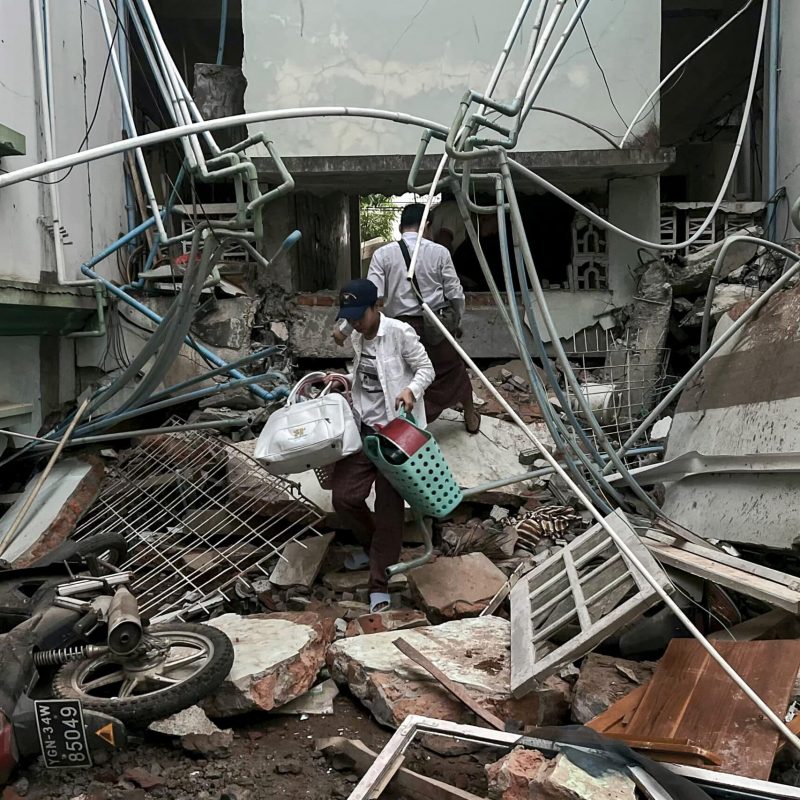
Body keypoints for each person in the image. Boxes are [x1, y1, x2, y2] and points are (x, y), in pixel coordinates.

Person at [329, 278, 434, 614]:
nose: (356, 321)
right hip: (365, 430)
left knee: (389, 510)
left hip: (396, 433)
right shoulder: (357, 336)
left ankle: (379, 581)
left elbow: (426, 368)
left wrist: (411, 391)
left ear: (377, 307)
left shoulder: (399, 332)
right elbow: (366, 378)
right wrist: (344, 381)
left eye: (361, 314)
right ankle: (374, 547)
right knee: (344, 496)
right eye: (351, 316)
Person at [333, 203, 481, 433]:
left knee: (400, 378)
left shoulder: (383, 254)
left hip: (399, 329)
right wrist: (455, 321)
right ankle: (471, 417)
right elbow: (455, 294)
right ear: (428, 226)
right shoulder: (439, 252)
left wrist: (344, 329)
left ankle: (404, 426)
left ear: (401, 227)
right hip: (435, 326)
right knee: (453, 370)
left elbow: (371, 295)